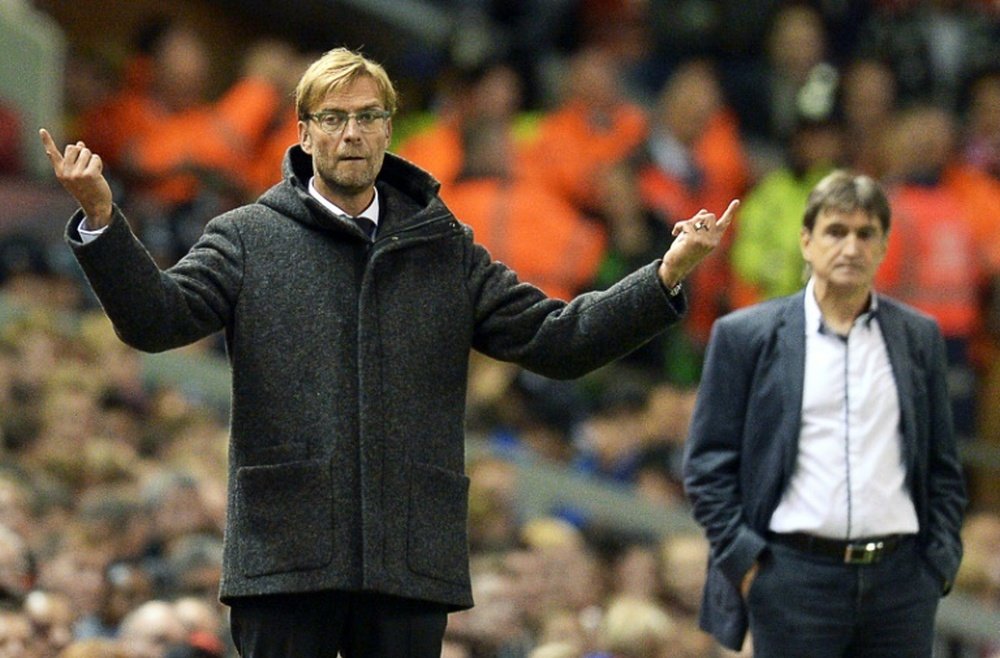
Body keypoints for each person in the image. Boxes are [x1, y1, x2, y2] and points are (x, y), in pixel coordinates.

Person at [39, 47, 738, 658]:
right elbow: (156, 321)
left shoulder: (447, 249)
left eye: (369, 116)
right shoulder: (246, 236)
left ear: (389, 131)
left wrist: (665, 275)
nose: (352, 133)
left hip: (409, 560)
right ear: (305, 132)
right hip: (286, 555)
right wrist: (103, 220)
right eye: (334, 118)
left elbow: (560, 342)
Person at [682, 170, 967, 656]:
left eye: (865, 234)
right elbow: (707, 466)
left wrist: (936, 564)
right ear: (807, 241)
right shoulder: (745, 336)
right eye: (836, 231)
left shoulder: (918, 337)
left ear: (883, 246)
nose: (851, 247)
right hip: (793, 577)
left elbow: (942, 465)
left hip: (901, 583)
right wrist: (749, 565)